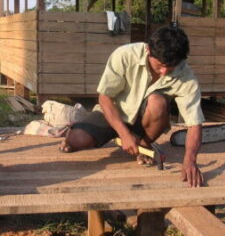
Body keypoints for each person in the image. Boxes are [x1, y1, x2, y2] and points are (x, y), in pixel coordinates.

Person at [60, 26, 205, 187]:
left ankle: (143, 145)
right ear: (148, 50)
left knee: (158, 102)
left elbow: (194, 124)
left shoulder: (187, 76)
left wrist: (190, 160)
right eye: (160, 65)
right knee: (76, 141)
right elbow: (105, 98)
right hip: (112, 113)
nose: (164, 72)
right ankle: (73, 132)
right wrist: (124, 134)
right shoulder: (124, 55)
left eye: (170, 67)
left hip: (144, 122)